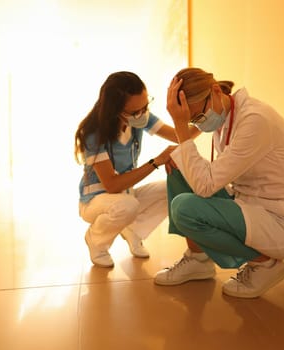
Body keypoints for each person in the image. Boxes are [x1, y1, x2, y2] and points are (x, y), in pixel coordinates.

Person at [154, 67, 284, 298]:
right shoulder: (227, 117)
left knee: (184, 207)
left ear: (216, 91)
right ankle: (198, 259)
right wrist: (182, 151)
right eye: (192, 121)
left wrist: (180, 128)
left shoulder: (255, 120)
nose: (199, 125)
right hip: (247, 204)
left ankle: (265, 264)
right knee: (179, 169)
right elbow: (209, 177)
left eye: (199, 117)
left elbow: (205, 186)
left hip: (281, 221)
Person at [74, 71, 199, 268]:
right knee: (127, 206)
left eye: (145, 106)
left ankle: (133, 230)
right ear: (114, 110)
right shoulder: (92, 133)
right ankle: (96, 240)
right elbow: (112, 185)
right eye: (134, 112)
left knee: (173, 192)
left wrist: (206, 116)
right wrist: (156, 161)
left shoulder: (139, 118)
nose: (142, 115)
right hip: (95, 201)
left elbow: (181, 136)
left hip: (126, 195)